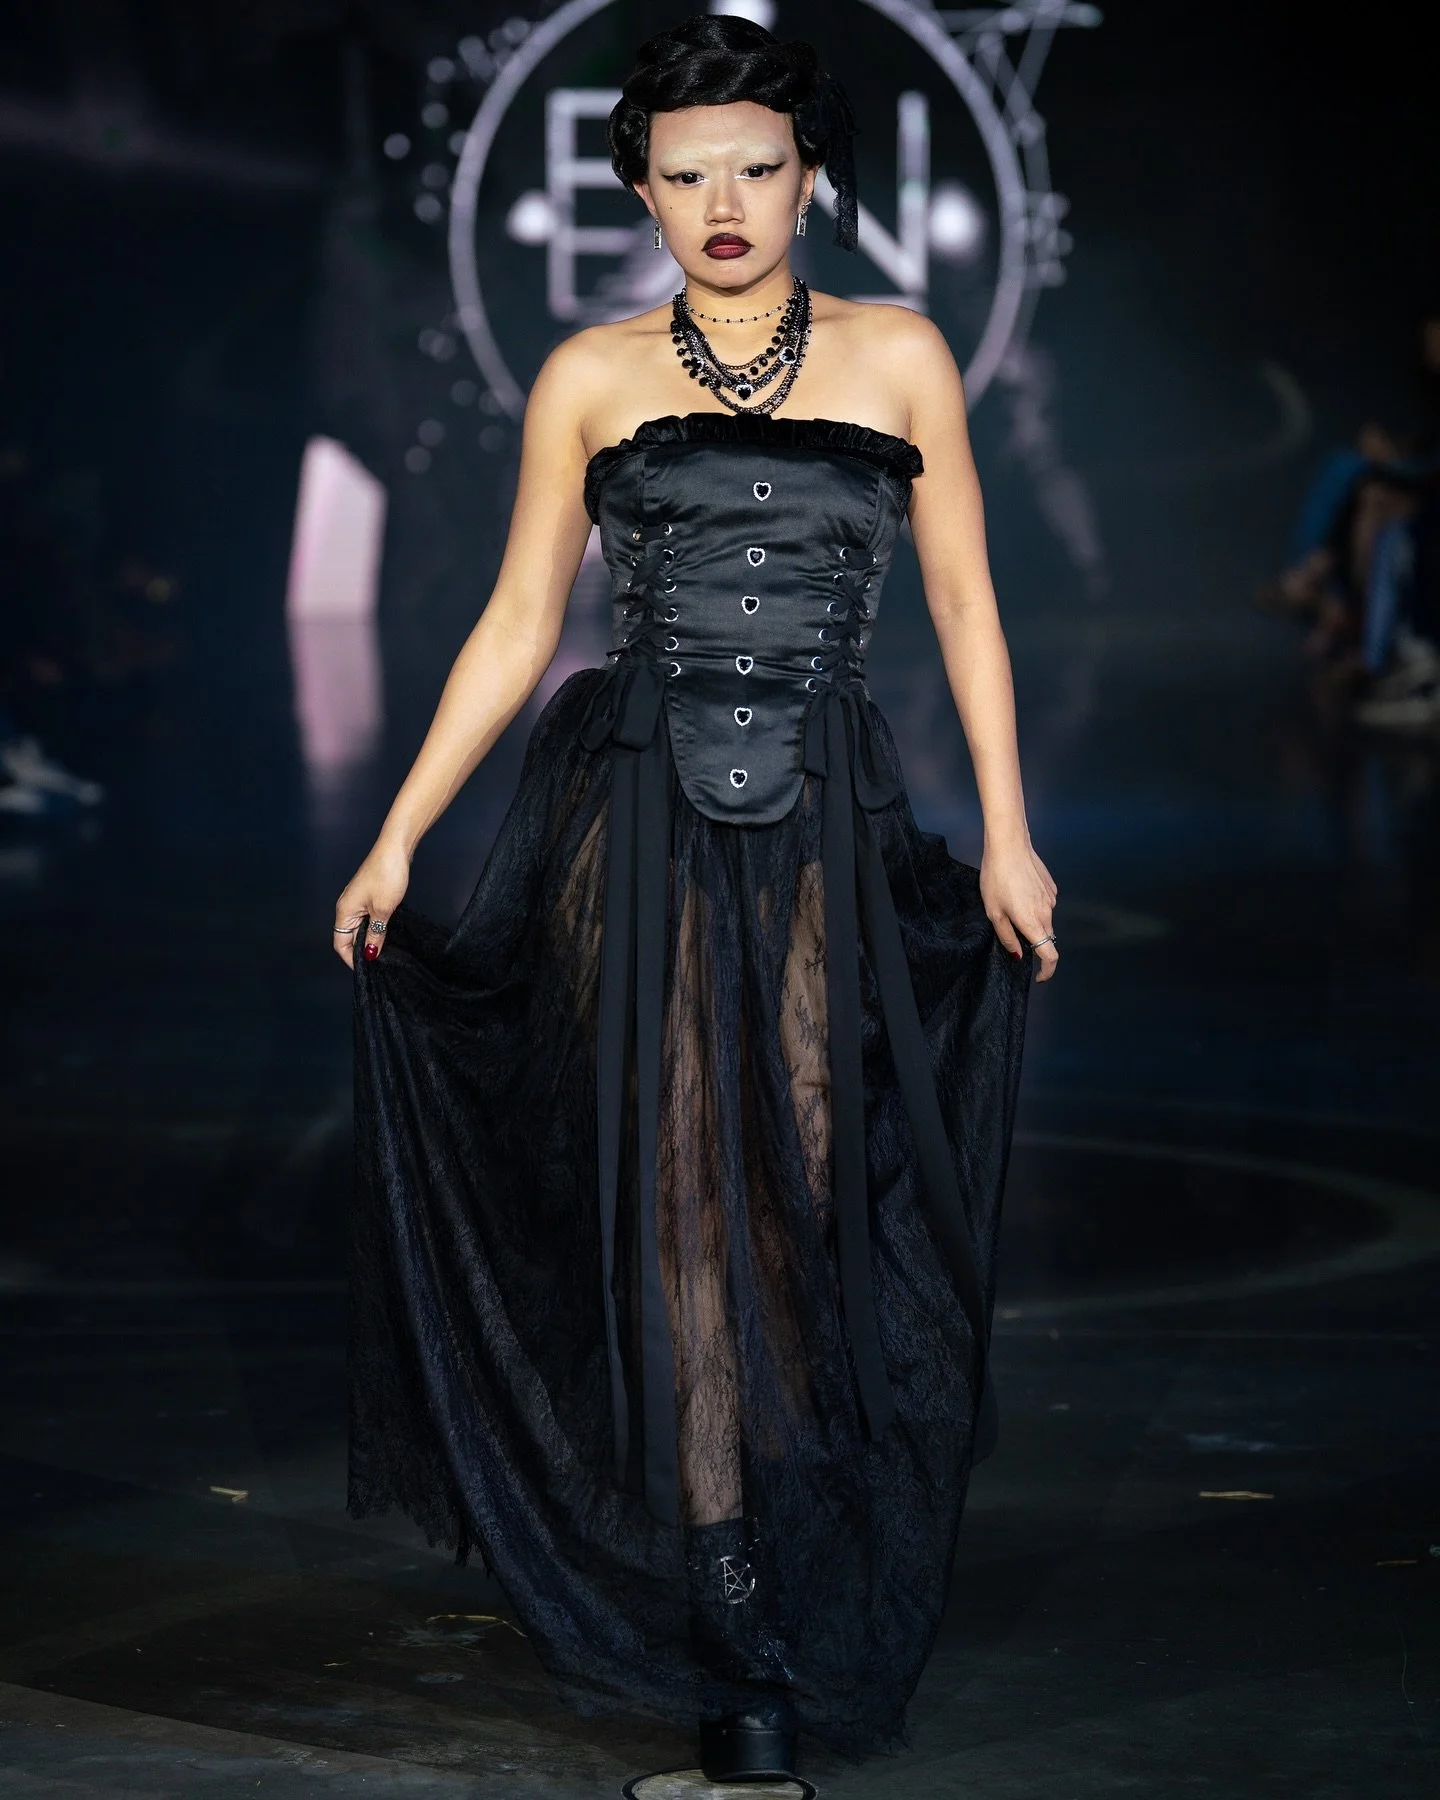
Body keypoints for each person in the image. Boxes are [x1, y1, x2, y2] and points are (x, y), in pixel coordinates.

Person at [334, 14, 1056, 1787]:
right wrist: (400, 831)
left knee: (796, 1188)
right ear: (640, 192)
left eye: (754, 167)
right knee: (681, 1195)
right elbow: (520, 621)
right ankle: (734, 1612)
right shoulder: (588, 374)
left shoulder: (901, 354)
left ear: (811, 179)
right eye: (684, 175)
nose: (722, 202)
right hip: (638, 805)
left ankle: (794, 1540)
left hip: (821, 817)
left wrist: (1011, 831)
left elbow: (968, 602)